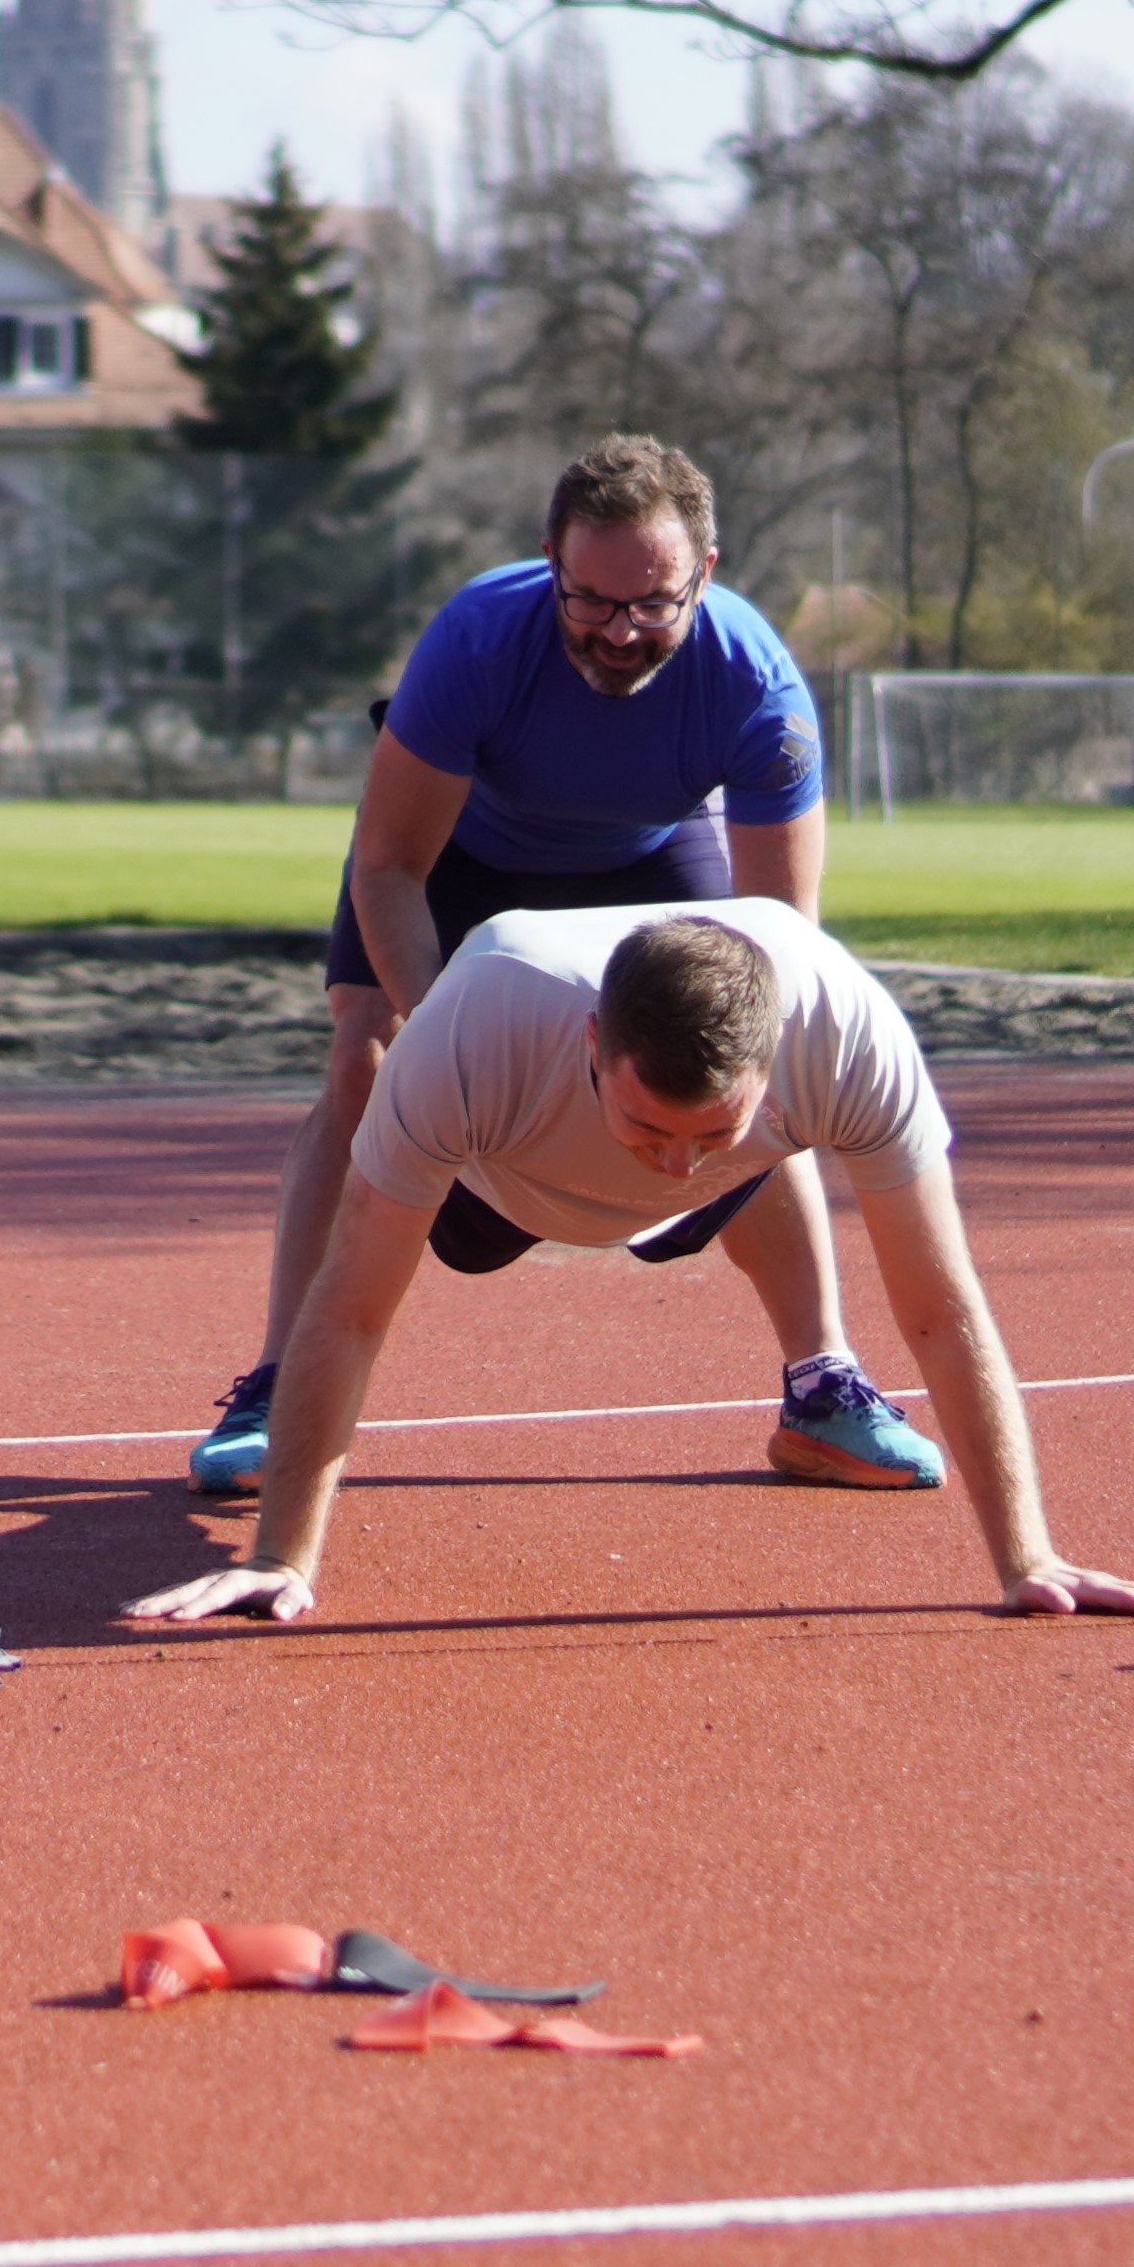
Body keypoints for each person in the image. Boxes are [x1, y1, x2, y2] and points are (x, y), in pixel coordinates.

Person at [190, 436, 943, 1504]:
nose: (619, 633)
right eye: (588, 601)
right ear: (550, 560)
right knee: (365, 1065)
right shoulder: (477, 640)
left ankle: (822, 1385)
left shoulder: (758, 687)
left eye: (652, 606)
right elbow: (391, 863)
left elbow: (778, 944)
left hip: (651, 850)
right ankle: (274, 1384)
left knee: (743, 1070)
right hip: (457, 856)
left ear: (706, 575)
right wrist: (448, 1038)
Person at [126, 903, 1134, 1629]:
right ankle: (263, 1414)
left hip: (747, 1164)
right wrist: (281, 1558)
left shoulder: (848, 1032)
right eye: (650, 1126)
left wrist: (1031, 1560)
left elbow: (942, 1311)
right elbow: (353, 1309)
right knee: (396, 1235)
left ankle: (819, 1390)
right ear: (594, 1042)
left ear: (775, 1057)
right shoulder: (479, 1025)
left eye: (711, 1129)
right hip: (499, 1186)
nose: (680, 1161)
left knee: (738, 1172)